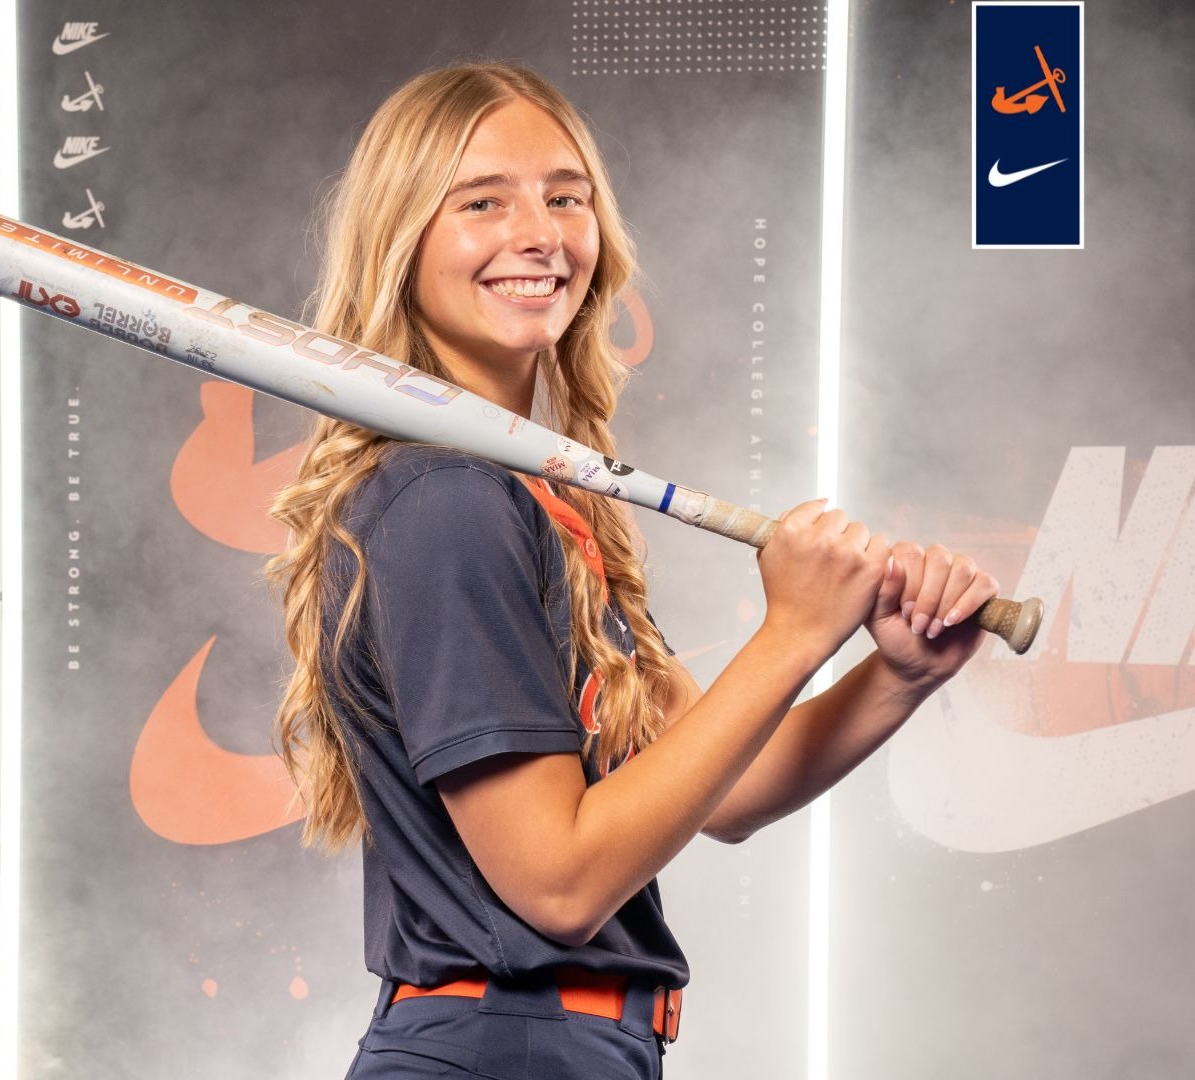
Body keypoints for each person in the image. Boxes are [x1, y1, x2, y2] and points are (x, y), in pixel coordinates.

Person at [264, 62, 999, 1080]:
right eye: (483, 202)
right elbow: (561, 884)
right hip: (503, 1051)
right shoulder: (447, 505)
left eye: (566, 196)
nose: (541, 232)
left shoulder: (530, 501)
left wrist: (898, 674)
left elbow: (728, 791)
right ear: (403, 240)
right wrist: (791, 630)